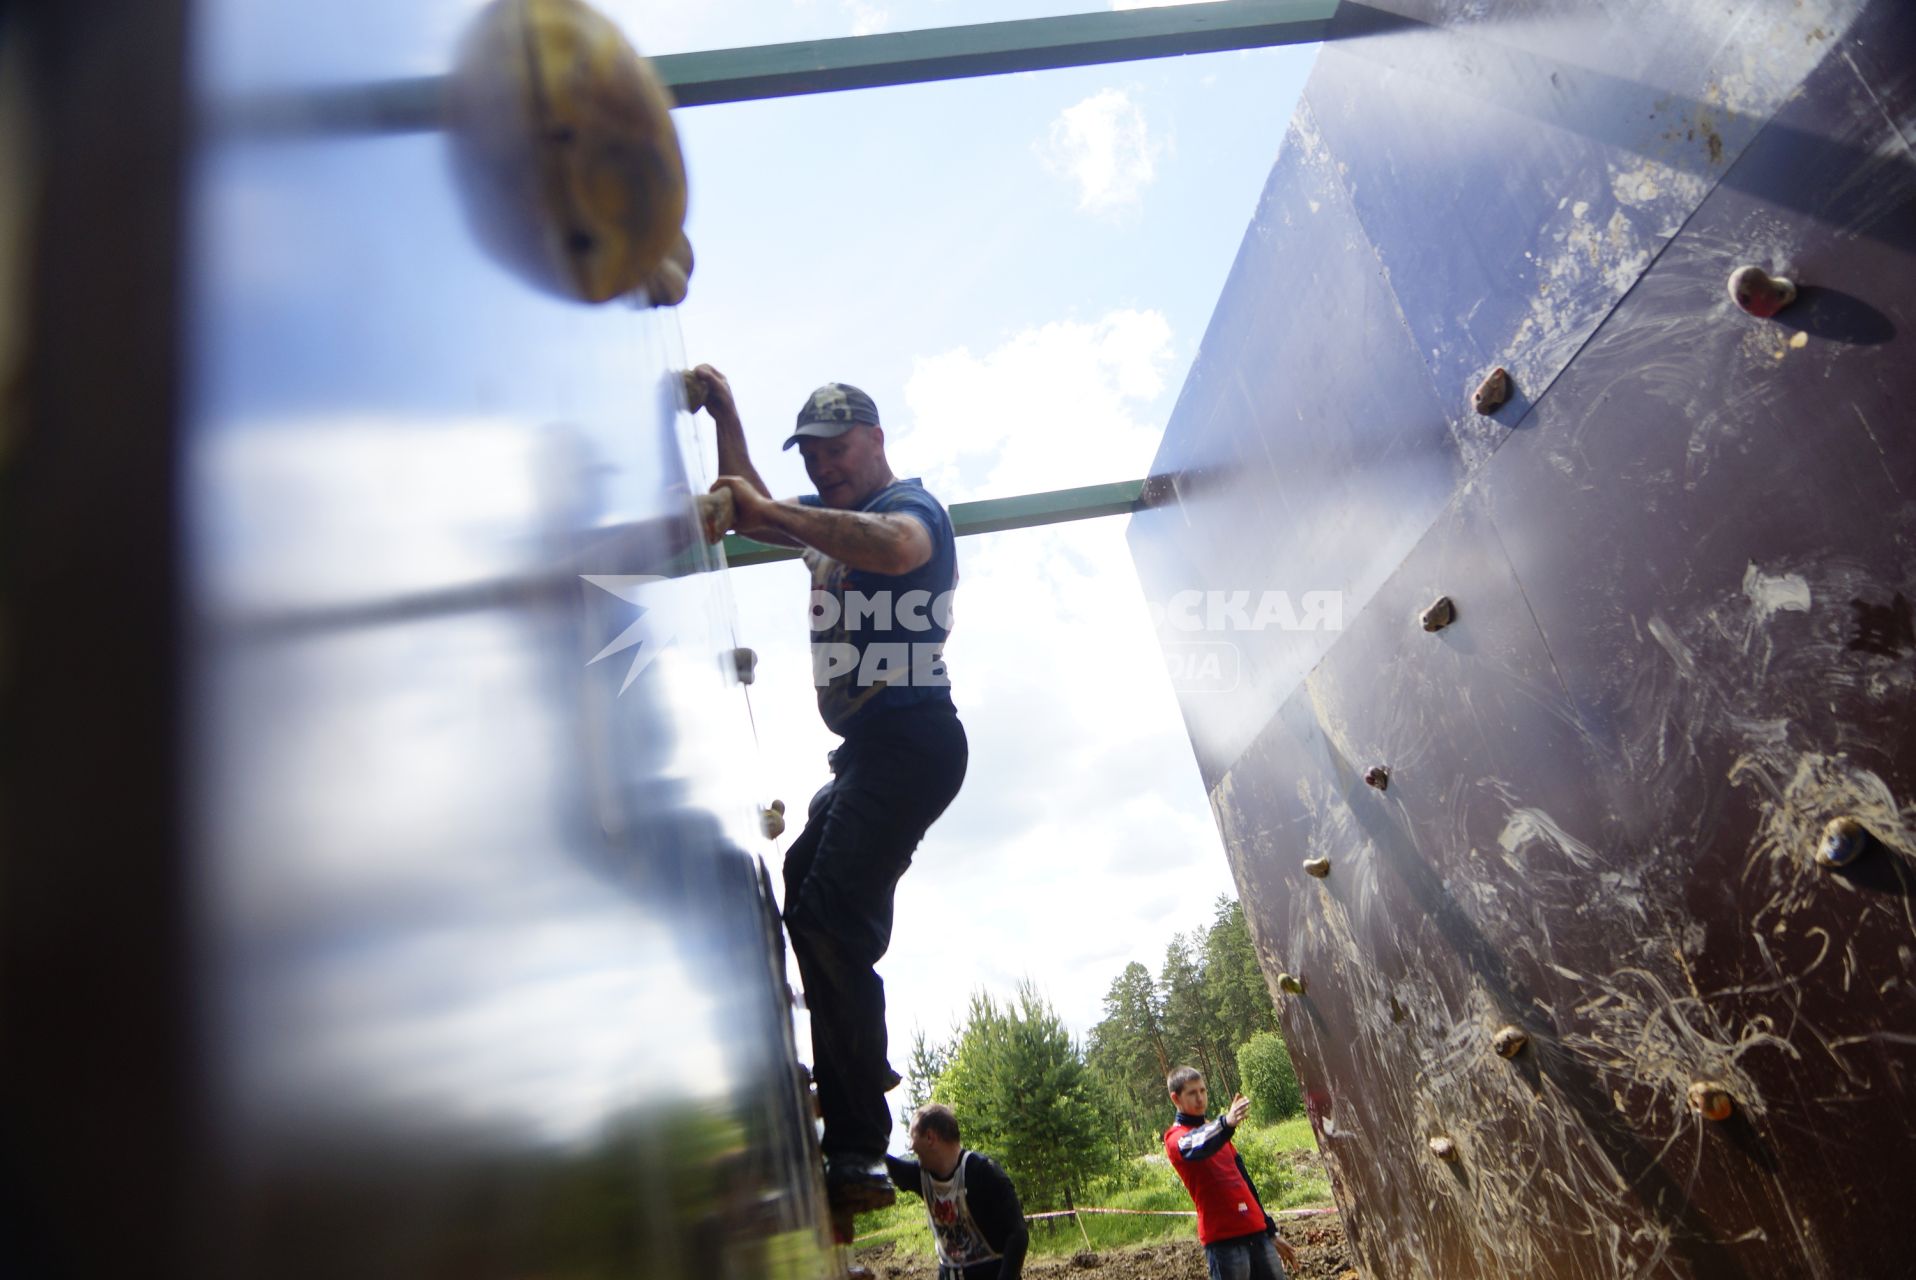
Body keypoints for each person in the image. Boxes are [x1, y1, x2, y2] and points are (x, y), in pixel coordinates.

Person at [691, 366, 968, 1212]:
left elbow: (894, 551)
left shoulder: (906, 511)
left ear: (877, 441)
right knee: (804, 884)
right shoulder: (828, 526)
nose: (825, 468)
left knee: (832, 918)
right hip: (867, 757)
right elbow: (759, 503)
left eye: (838, 450)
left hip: (914, 744)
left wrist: (766, 511)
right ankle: (856, 1058)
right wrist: (726, 415)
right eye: (812, 457)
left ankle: (856, 1147)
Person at [1164, 1067, 1299, 1280]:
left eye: (1203, 1090)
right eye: (1192, 1093)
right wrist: (1226, 1123)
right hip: (1224, 1241)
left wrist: (1270, 1230)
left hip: (1257, 1233)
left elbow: (1245, 1183)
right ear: (1175, 1099)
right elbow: (1199, 1142)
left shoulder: (1218, 1133)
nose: (1200, 1098)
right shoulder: (1176, 1138)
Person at [886, 1104, 1027, 1280]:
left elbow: (1018, 1234)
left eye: (912, 1138)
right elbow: (885, 1163)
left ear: (930, 1137)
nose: (911, 1146)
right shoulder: (920, 1176)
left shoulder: (984, 1173)